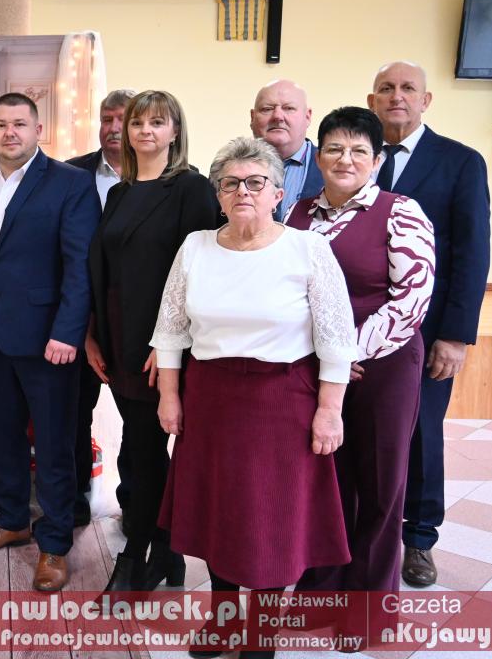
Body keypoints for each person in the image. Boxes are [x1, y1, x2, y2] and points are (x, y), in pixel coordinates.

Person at [151, 137, 356, 657]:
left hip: (282, 402)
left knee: (273, 519)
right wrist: (169, 397)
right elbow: (170, 332)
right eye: (230, 183)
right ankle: (223, 620)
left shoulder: (308, 249)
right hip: (211, 400)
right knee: (218, 513)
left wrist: (329, 412)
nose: (242, 191)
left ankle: (262, 629)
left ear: (278, 194)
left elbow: (336, 340)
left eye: (255, 182)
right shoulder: (195, 247)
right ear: (218, 195)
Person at [289, 107, 435, 609]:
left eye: (358, 151)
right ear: (319, 157)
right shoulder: (298, 215)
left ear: (376, 161)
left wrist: (345, 352)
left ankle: (368, 607)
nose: (344, 159)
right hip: (314, 370)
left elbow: (412, 297)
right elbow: (284, 293)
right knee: (326, 482)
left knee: (379, 485)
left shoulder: (401, 211)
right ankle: (321, 592)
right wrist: (319, 357)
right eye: (334, 148)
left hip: (382, 367)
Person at [0, 92, 99, 593]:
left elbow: (80, 266)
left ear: (38, 130)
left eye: (20, 123)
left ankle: (55, 543)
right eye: (1, 124)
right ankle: (12, 518)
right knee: (2, 437)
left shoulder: (71, 183)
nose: (10, 132)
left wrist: (67, 331)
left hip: (48, 341)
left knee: (56, 445)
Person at [87, 90, 218, 591]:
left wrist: (168, 348)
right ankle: (166, 552)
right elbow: (107, 271)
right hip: (118, 342)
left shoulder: (191, 189)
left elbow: (196, 278)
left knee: (143, 453)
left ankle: (134, 558)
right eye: (137, 122)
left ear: (174, 131)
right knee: (142, 450)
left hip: (160, 347)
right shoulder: (119, 193)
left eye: (157, 122)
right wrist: (92, 334)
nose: (145, 130)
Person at [366, 61, 490, 588]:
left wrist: (456, 336)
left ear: (426, 100)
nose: (397, 96)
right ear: (372, 101)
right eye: (387, 89)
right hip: (361, 329)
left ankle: (418, 538)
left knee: (420, 433)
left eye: (407, 88)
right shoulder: (357, 156)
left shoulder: (460, 162)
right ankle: (361, 531)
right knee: (357, 431)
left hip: (428, 330)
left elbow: (472, 252)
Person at [68, 87, 134, 529]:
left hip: (134, 320)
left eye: (122, 120)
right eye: (106, 119)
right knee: (73, 414)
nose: (113, 128)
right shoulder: (71, 172)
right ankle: (75, 497)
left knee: (139, 420)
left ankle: (135, 504)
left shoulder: (170, 178)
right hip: (77, 315)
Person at [248, 79, 323, 221]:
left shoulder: (333, 167)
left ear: (307, 116)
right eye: (267, 109)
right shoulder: (228, 168)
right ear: (252, 117)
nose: (278, 116)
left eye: (289, 108)